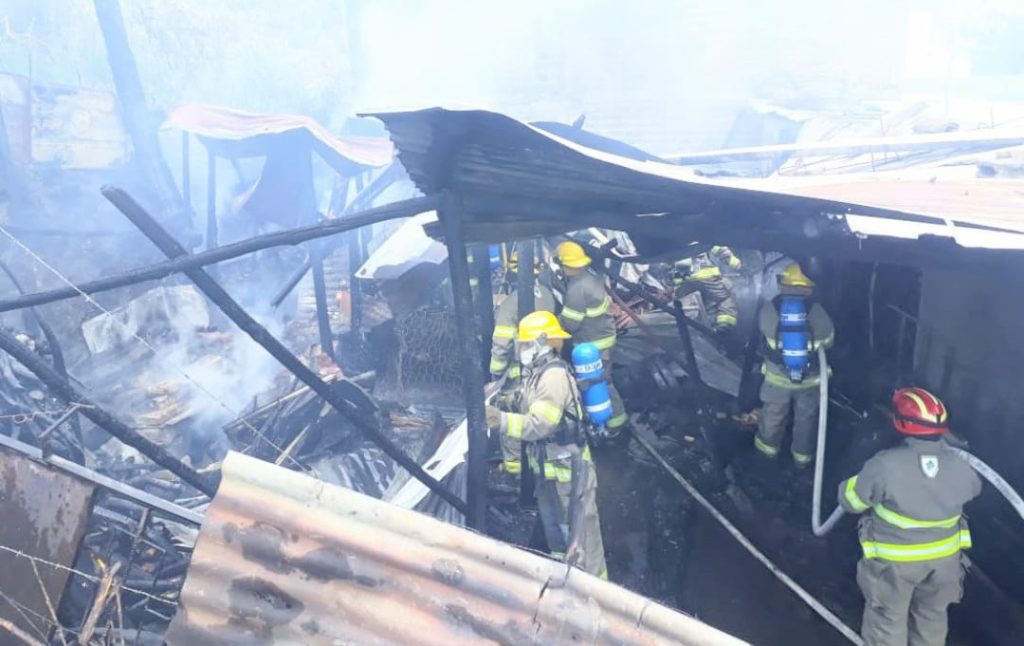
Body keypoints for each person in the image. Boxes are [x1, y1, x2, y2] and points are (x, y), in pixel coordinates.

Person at [838, 387, 981, 646]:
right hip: (944, 564)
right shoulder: (962, 466)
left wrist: (862, 474)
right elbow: (973, 489)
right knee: (931, 620)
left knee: (887, 622)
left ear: (899, 423)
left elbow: (850, 502)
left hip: (895, 566)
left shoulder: (885, 465)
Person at [485, 311, 607, 578]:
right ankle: (563, 577)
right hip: (550, 470)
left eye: (526, 344)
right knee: (557, 532)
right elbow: (526, 399)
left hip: (570, 472)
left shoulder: (553, 377)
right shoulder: (537, 373)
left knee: (582, 536)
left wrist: (500, 420)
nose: (521, 349)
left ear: (542, 342)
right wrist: (504, 401)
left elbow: (541, 425)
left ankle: (596, 589)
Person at [755, 262, 834, 466]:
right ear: (807, 287)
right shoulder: (818, 311)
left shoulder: (768, 309)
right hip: (810, 381)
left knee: (772, 417)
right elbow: (829, 340)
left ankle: (766, 456)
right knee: (806, 421)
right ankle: (802, 461)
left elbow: (763, 335)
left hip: (777, 379)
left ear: (783, 284)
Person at [489, 256, 557, 474]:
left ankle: (514, 467)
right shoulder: (546, 294)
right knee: (538, 414)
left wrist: (495, 373)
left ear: (513, 274)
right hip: (545, 366)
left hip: (518, 373)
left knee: (511, 415)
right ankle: (538, 460)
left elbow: (501, 345)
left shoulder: (510, 305)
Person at [554, 241, 628, 436]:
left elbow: (570, 325)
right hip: (604, 338)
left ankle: (615, 423)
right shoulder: (592, 276)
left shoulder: (576, 289)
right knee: (602, 381)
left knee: (600, 382)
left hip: (593, 345)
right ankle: (608, 422)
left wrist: (554, 321)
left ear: (564, 264)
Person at [672, 245, 742, 332]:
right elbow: (720, 250)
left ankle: (691, 328)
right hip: (708, 279)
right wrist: (737, 264)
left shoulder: (673, 241)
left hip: (684, 283)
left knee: (684, 305)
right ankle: (724, 326)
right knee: (724, 299)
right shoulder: (701, 239)